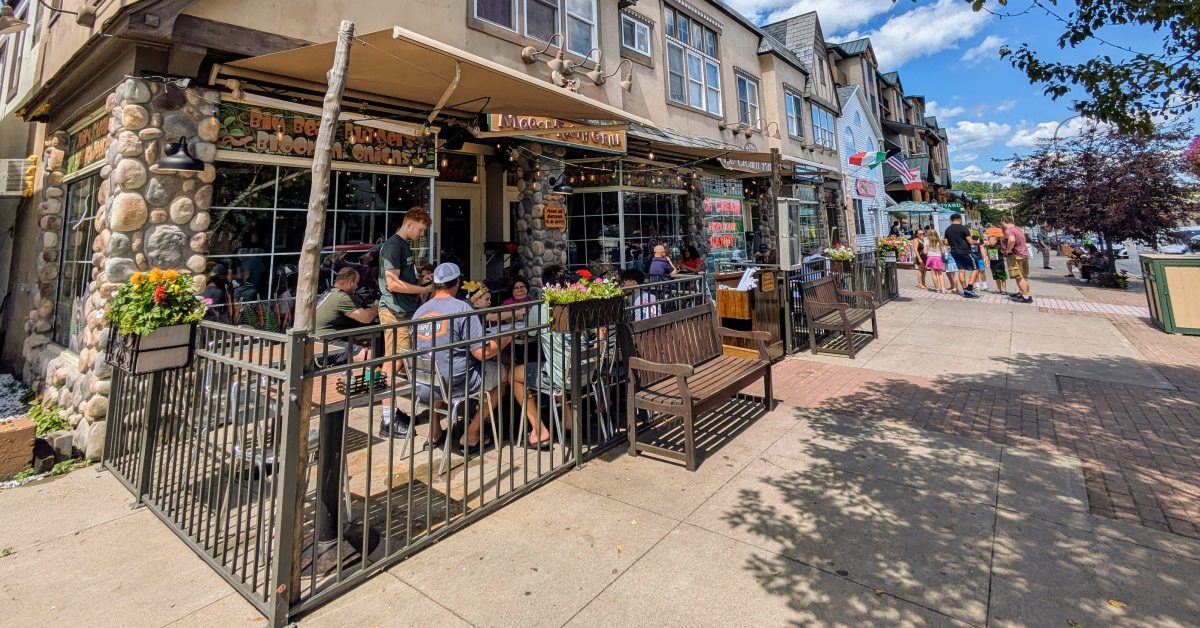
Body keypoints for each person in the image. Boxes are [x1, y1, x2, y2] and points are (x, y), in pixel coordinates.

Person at [411, 263, 512, 453]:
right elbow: (482, 353)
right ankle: (472, 434)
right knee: (503, 375)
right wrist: (505, 339)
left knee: (438, 371)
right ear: (456, 283)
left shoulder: (419, 312)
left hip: (423, 385)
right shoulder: (462, 309)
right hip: (457, 383)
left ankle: (434, 431)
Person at [378, 207, 434, 437]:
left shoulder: (404, 246)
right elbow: (392, 284)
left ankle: (391, 413)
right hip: (395, 312)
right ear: (409, 223)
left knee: (399, 362)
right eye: (421, 229)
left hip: (405, 310)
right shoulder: (393, 246)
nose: (421, 234)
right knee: (393, 363)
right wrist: (423, 288)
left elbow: (403, 278)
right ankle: (387, 420)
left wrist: (419, 279)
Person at [314, 267, 379, 363]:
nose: (357, 286)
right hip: (328, 345)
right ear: (350, 282)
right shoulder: (342, 297)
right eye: (356, 283)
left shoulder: (330, 291)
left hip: (318, 342)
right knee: (370, 354)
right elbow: (366, 318)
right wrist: (377, 305)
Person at [943, 213, 980, 299]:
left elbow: (945, 242)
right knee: (976, 268)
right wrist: (977, 242)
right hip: (965, 251)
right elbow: (970, 242)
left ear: (951, 220)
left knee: (961, 270)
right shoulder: (963, 228)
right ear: (959, 219)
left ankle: (965, 290)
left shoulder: (947, 229)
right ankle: (969, 289)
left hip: (954, 252)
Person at [1001, 217, 1033, 303]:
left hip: (1015, 255)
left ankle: (1025, 297)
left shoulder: (1009, 230)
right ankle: (1025, 293)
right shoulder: (1018, 229)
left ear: (1004, 222)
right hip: (1024, 254)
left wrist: (1008, 250)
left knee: (1018, 277)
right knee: (1024, 276)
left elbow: (1011, 240)